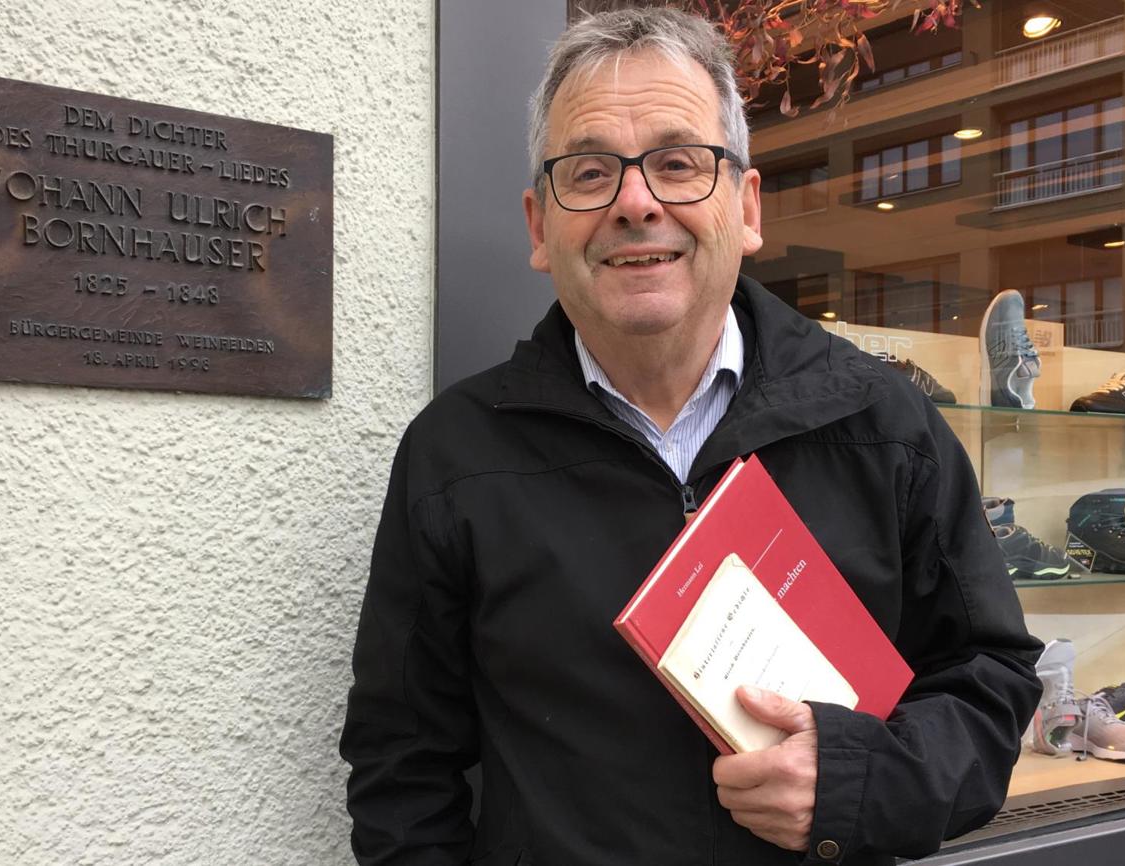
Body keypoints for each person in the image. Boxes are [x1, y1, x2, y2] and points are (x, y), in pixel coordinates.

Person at [341, 8, 1043, 866]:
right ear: (538, 226)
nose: (636, 203)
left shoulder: (881, 426)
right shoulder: (456, 457)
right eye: (590, 173)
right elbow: (401, 768)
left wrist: (861, 782)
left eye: (677, 163)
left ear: (746, 208)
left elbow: (991, 684)